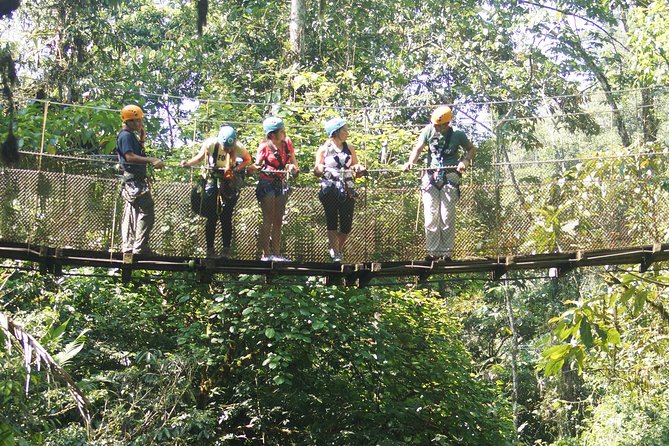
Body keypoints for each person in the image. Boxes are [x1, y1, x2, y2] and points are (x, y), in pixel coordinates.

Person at [403, 105, 476, 261]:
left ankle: (446, 253)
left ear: (447, 124)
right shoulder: (428, 131)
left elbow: (470, 149)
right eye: (435, 124)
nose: (436, 127)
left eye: (439, 125)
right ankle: (433, 252)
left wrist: (465, 161)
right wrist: (410, 162)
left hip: (450, 177)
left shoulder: (458, 135)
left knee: (446, 217)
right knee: (430, 216)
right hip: (431, 177)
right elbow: (418, 148)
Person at [181, 125, 252, 259]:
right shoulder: (211, 144)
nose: (228, 150)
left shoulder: (239, 147)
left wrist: (236, 170)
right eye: (225, 147)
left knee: (226, 217)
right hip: (212, 180)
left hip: (229, 182)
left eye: (230, 148)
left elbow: (248, 159)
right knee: (212, 216)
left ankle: (225, 250)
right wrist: (188, 163)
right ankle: (210, 250)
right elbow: (200, 157)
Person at [314, 117, 365, 262]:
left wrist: (359, 169)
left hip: (347, 188)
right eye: (344, 130)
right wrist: (319, 169)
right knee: (332, 220)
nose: (347, 132)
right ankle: (336, 252)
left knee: (346, 224)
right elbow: (317, 169)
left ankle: (337, 248)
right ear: (335, 132)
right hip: (329, 188)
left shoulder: (349, 148)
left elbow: (356, 167)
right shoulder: (324, 149)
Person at [117, 104, 164, 255]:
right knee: (147, 210)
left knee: (132, 212)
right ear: (127, 121)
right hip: (134, 181)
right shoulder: (125, 136)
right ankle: (140, 246)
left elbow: (135, 153)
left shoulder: (131, 136)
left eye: (139, 121)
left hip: (135, 181)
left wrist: (142, 140)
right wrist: (151, 160)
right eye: (135, 121)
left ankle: (131, 246)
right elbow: (129, 157)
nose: (138, 124)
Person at [255, 116, 299, 262]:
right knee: (268, 218)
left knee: (278, 219)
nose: (284, 133)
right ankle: (266, 254)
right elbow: (257, 164)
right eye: (281, 131)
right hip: (266, 183)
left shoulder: (287, 144)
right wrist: (247, 168)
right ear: (272, 134)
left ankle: (277, 254)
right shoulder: (264, 147)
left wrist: (293, 168)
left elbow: (293, 162)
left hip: (280, 184)